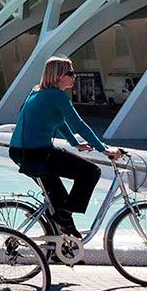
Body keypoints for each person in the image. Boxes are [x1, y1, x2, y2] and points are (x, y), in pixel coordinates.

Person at [9, 56, 123, 238]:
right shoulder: (56, 95)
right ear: (58, 75)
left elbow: (59, 121)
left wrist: (74, 143)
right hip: (36, 152)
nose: (74, 77)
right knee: (91, 172)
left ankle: (60, 247)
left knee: (59, 201)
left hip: (21, 151)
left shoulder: (37, 92)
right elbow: (78, 124)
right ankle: (62, 219)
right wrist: (103, 149)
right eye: (71, 73)